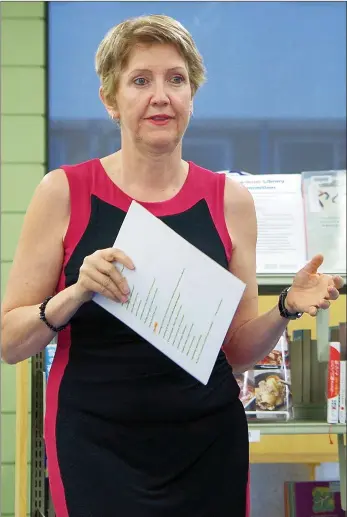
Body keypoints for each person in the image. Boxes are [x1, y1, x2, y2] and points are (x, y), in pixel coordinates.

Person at [1, 14, 344, 517]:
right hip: (94, 442)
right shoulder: (64, 192)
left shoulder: (230, 200)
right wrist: (74, 292)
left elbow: (239, 353)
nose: (161, 96)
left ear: (192, 97)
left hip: (207, 443)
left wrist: (286, 308)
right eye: (141, 80)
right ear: (110, 100)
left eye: (176, 79)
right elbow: (10, 342)